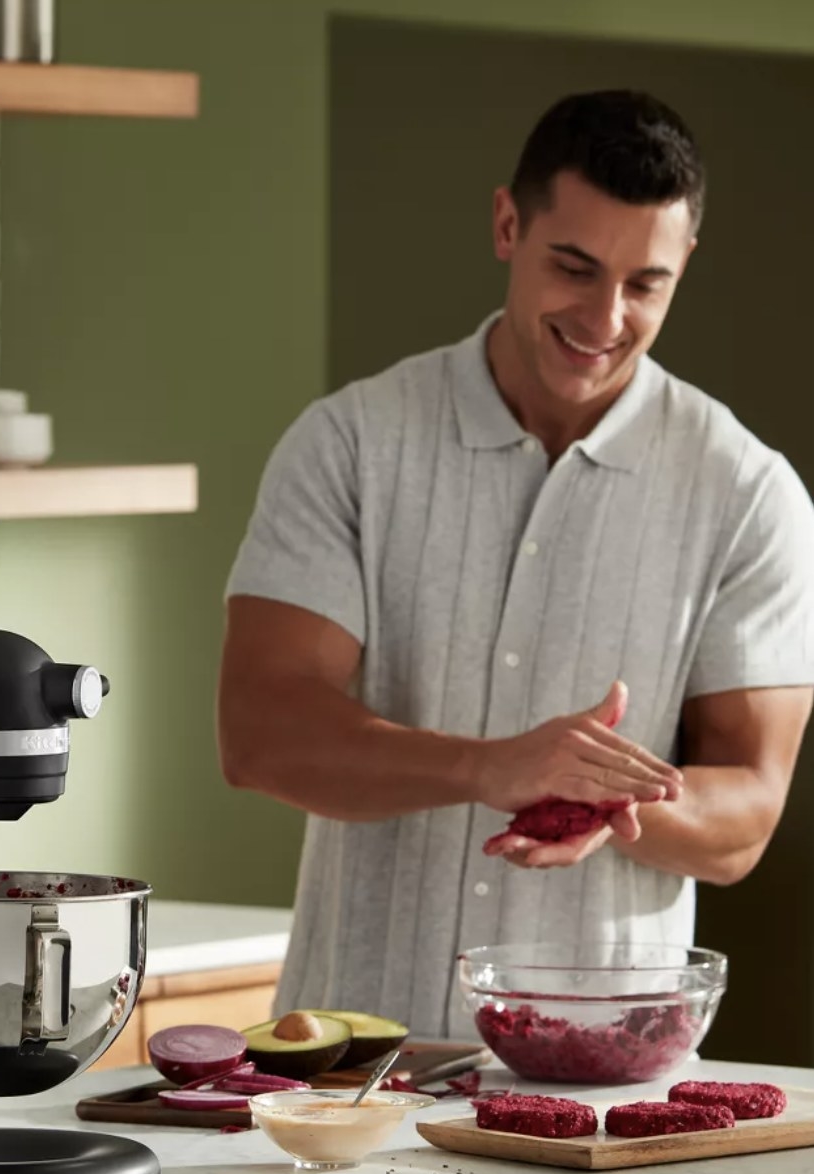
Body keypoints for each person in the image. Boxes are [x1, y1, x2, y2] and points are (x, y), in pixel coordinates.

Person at [218, 89, 814, 1039]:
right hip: (353, 1065)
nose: (606, 316)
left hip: (606, 1079)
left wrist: (602, 800)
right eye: (573, 267)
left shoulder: (748, 491)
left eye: (646, 283)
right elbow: (259, 731)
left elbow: (746, 815)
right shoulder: (351, 444)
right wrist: (487, 767)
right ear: (507, 224)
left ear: (685, 266)